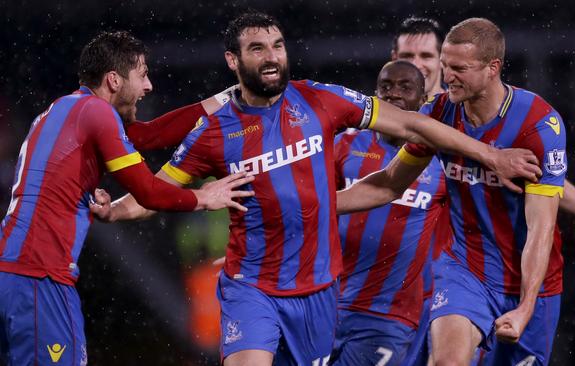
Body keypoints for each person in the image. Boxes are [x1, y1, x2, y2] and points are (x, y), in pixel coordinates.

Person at [93, 12, 542, 366]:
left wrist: (492, 156)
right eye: (256, 49)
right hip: (253, 288)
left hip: (319, 295)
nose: (271, 56)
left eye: (277, 45)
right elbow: (153, 193)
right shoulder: (213, 132)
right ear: (233, 61)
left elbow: (411, 124)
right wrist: (112, 210)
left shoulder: (320, 100)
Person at [337, 18, 575, 366]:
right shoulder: (440, 114)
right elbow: (388, 183)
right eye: (444, 66)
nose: (446, 76)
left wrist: (525, 308)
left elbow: (541, 227)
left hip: (533, 281)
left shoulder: (538, 124)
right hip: (464, 270)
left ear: (492, 68)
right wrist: (321, 204)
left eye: (459, 68)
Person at [0, 31, 252, 366]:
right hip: (39, 275)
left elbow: (151, 134)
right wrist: (203, 197)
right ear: (114, 79)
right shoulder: (96, 113)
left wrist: (229, 97)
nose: (149, 86)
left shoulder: (66, 110)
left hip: (11, 271)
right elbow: (147, 190)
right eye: (143, 74)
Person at [330, 60, 450, 366]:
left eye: (405, 87)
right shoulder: (344, 145)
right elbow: (311, 206)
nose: (393, 94)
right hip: (324, 304)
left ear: (424, 100)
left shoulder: (443, 163)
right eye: (385, 86)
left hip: (388, 316)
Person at [391, 17, 445, 101]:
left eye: (426, 56)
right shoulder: (377, 111)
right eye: (407, 56)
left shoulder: (464, 111)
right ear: (394, 59)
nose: (416, 65)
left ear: (443, 60)